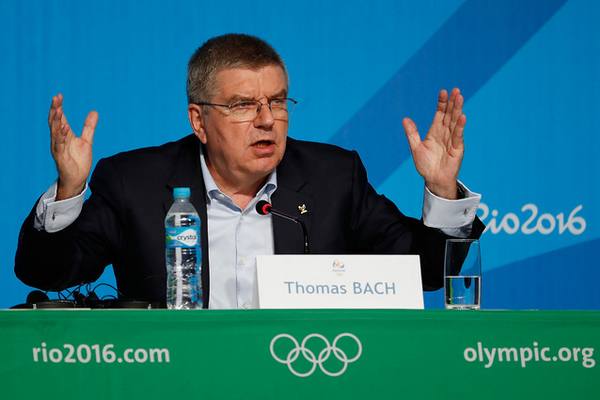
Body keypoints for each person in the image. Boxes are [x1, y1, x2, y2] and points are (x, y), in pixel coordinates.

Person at [15, 33, 484, 309]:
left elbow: (425, 272)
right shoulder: (134, 182)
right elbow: (45, 273)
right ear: (199, 121)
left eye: (277, 101)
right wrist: (70, 189)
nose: (267, 120)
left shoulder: (332, 177)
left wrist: (442, 189)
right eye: (242, 105)